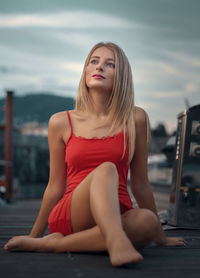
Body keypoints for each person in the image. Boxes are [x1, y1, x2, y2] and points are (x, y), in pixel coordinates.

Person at [3, 42, 186, 266]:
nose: (99, 67)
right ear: (86, 70)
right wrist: (33, 234)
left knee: (148, 221)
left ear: (121, 77)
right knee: (107, 169)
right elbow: (54, 186)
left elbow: (140, 184)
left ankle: (55, 244)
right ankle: (117, 240)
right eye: (94, 61)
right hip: (74, 212)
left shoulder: (135, 119)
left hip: (118, 210)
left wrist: (160, 237)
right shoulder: (60, 122)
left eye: (110, 64)